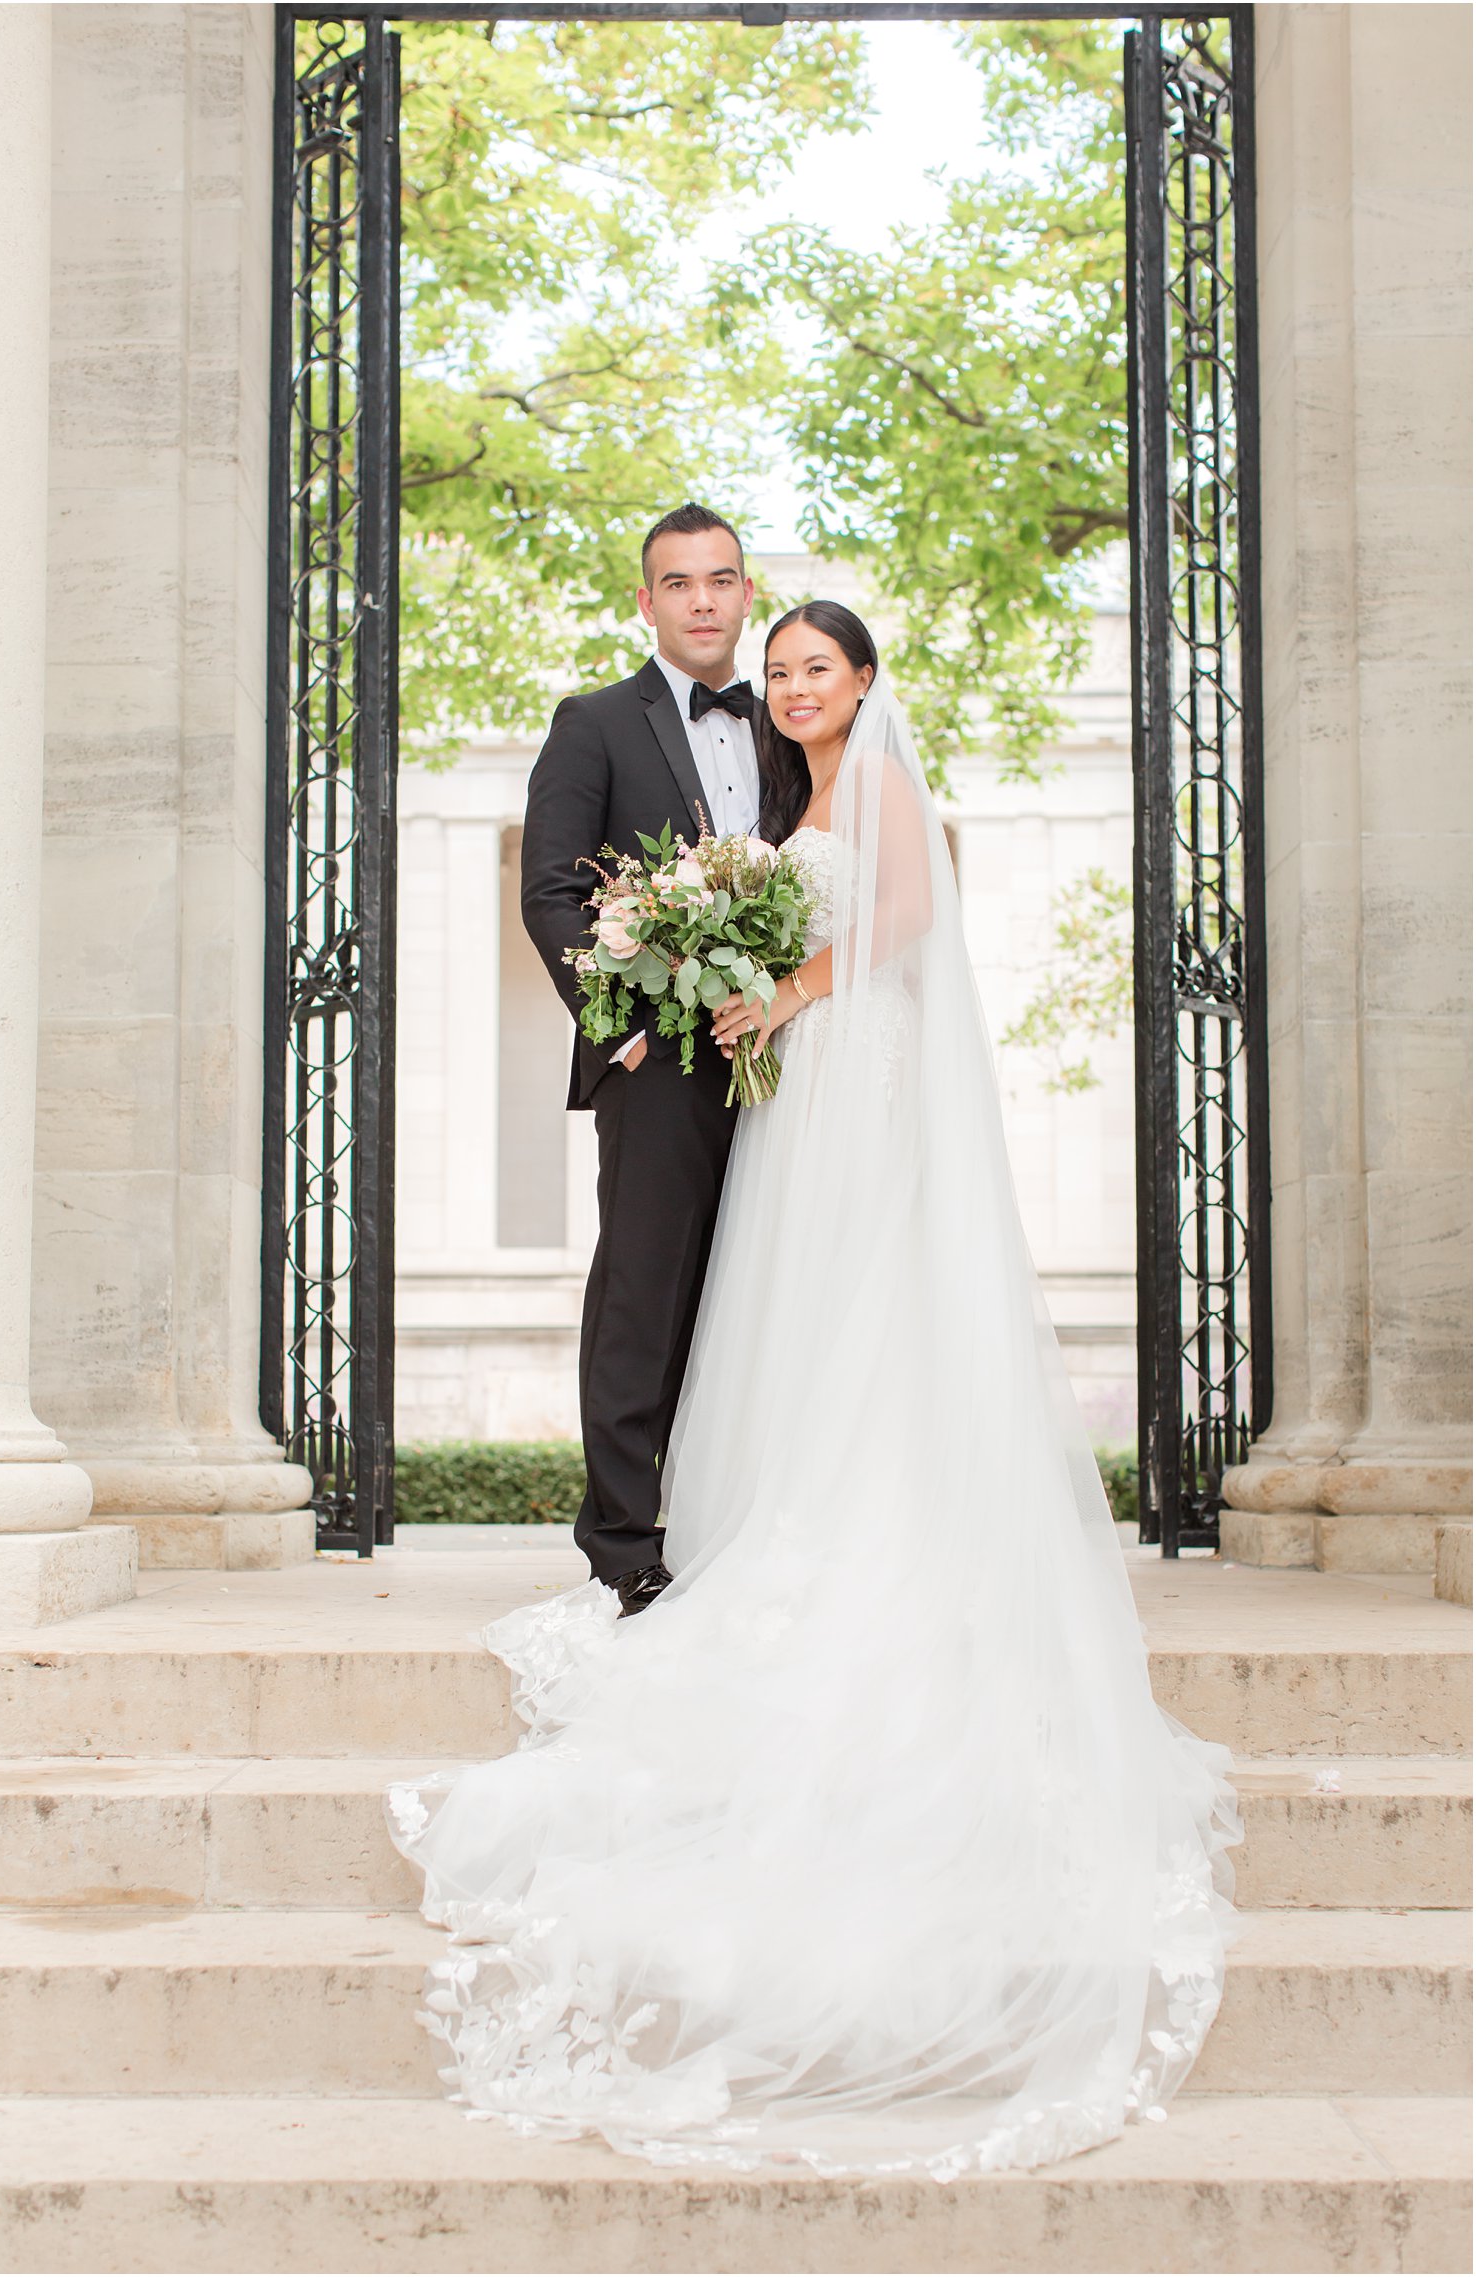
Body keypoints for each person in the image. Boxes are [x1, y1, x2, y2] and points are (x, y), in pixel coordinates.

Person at [387, 600, 1241, 2182]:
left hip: (853, 1072)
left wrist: (785, 990)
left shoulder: (878, 792)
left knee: (862, 1310)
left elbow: (904, 920)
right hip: (791, 1089)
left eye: (811, 667)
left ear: (861, 682)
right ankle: (740, 1526)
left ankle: (875, 1545)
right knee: (774, 1316)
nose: (785, 683)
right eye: (774, 669)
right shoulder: (778, 793)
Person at [518, 503, 761, 1616]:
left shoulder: (790, 726)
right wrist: (620, 1021)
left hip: (787, 1054)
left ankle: (748, 1522)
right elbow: (552, 892)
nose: (701, 600)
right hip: (657, 1054)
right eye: (678, 583)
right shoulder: (594, 723)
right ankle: (622, 1541)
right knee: (645, 1291)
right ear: (645, 601)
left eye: (719, 580)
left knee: (765, 1283)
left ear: (746, 594)